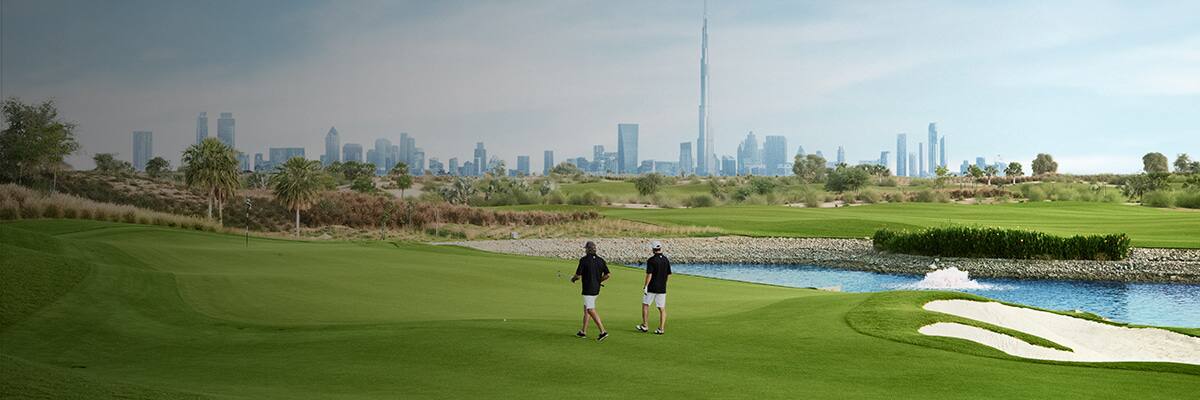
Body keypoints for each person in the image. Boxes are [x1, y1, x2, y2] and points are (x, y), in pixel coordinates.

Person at [572, 241, 610, 341]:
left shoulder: (583, 260)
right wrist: (599, 281)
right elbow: (608, 275)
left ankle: (603, 332)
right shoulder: (601, 260)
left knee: (590, 310)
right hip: (596, 289)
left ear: (587, 249)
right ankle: (583, 331)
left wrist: (573, 279)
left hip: (588, 289)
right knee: (586, 309)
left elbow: (578, 276)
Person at [636, 241, 671, 335]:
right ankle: (661, 329)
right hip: (662, 288)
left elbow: (649, 275)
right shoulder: (665, 259)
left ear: (653, 249)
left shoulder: (651, 260)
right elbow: (668, 274)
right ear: (660, 248)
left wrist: (645, 285)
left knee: (645, 305)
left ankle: (645, 326)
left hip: (652, 287)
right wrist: (665, 284)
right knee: (661, 308)